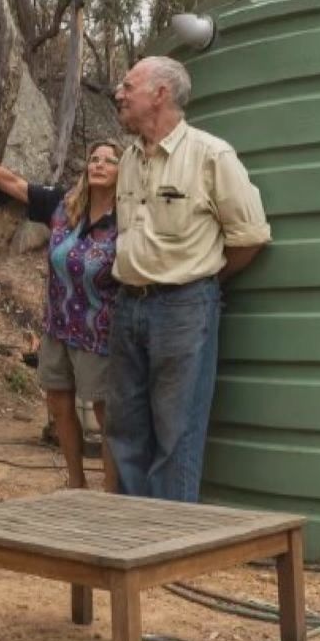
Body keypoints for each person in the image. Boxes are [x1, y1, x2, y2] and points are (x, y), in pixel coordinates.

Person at [108, 56, 271, 502]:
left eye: (128, 86)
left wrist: (201, 283)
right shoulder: (128, 158)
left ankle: (168, 549)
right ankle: (129, 546)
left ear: (160, 93)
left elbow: (251, 236)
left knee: (176, 432)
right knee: (124, 428)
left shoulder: (210, 155)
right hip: (128, 306)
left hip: (184, 307)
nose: (118, 94)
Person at [0, 125, 122, 491]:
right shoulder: (65, 207)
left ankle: (112, 492)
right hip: (57, 326)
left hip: (99, 332)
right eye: (94, 159)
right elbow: (14, 184)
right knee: (60, 403)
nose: (99, 164)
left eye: (110, 161)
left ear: (122, 172)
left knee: (104, 413)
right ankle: (75, 482)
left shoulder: (126, 219)